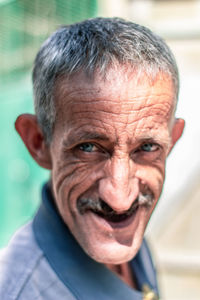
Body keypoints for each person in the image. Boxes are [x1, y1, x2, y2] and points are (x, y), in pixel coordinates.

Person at [0, 17, 184, 300]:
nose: (120, 199)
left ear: (171, 141)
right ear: (38, 142)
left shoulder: (125, 241)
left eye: (146, 147)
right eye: (88, 147)